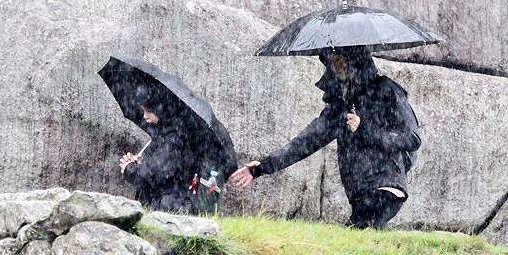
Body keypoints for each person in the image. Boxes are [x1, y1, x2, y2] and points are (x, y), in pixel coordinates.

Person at [229, 46, 421, 229]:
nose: (335, 67)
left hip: (386, 187)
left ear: (355, 61)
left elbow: (411, 138)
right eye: (330, 62)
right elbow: (305, 143)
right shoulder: (340, 107)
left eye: (340, 61)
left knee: (353, 240)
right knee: (361, 244)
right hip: (360, 194)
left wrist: (365, 128)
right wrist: (262, 167)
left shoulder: (386, 90)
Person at [119, 94, 200, 214]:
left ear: (161, 111)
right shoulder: (165, 135)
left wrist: (130, 169)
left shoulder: (173, 139)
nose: (145, 116)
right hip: (165, 204)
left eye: (149, 111)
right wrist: (140, 163)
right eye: (144, 111)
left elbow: (155, 175)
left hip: (168, 207)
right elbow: (161, 168)